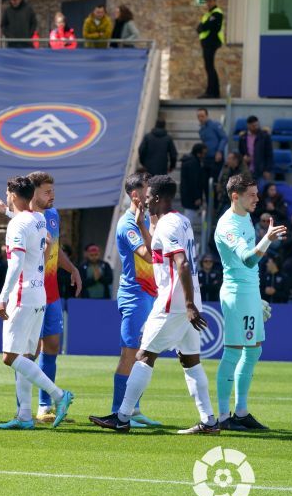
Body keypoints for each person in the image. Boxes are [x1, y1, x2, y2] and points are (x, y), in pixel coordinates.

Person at [90, 175, 218, 434]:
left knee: (144, 356)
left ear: (157, 198)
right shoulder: (181, 220)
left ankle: (122, 417)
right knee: (190, 361)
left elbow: (182, 263)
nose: (145, 200)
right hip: (188, 299)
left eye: (148, 196)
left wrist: (188, 305)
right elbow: (157, 251)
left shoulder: (167, 225)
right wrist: (142, 225)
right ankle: (209, 421)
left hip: (173, 301)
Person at [0, 172, 83, 422]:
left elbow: (15, 264)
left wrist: (3, 297)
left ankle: (58, 395)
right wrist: (6, 211)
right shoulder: (39, 219)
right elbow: (44, 240)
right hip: (39, 293)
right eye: (46, 191)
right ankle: (24, 416)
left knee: (10, 357)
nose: (52, 195)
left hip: (23, 294)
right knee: (24, 355)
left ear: (12, 195)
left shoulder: (21, 224)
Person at [213, 174, 287, 431]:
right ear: (235, 196)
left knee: (253, 351)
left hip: (249, 292)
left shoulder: (245, 216)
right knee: (233, 352)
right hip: (236, 294)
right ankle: (224, 417)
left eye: (257, 193)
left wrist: (255, 297)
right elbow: (247, 259)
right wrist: (267, 239)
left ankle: (241, 411)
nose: (257, 198)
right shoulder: (228, 225)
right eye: (252, 195)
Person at [109, 173, 163, 427]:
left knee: (143, 353)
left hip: (148, 293)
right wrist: (146, 226)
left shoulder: (144, 220)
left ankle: (134, 408)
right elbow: (148, 255)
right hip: (135, 295)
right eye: (146, 190)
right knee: (130, 354)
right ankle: (118, 410)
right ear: (135, 194)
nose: (150, 194)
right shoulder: (128, 224)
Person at [196, 0, 224, 99]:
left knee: (209, 66)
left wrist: (203, 27)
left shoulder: (217, 13)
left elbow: (209, 26)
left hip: (212, 42)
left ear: (214, 1)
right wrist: (202, 27)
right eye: (207, 1)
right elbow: (200, 26)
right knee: (209, 66)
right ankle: (213, 92)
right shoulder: (209, 14)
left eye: (210, 1)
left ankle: (211, 92)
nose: (208, 3)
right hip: (207, 42)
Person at [180, 143, 208, 236]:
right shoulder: (193, 163)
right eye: (203, 153)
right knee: (189, 219)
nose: (205, 155)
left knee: (189, 218)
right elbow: (193, 181)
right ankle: (185, 238)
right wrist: (197, 197)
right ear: (198, 153)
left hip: (187, 195)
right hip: (191, 197)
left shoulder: (190, 161)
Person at [238, 116, 274, 182]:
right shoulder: (243, 137)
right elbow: (241, 152)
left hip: (260, 170)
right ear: (248, 125)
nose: (256, 127)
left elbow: (269, 155)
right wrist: (244, 157)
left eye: (257, 125)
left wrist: (267, 170)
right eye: (253, 126)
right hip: (246, 170)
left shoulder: (265, 137)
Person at [197, 107, 227, 185]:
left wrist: (219, 151)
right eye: (198, 116)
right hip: (206, 159)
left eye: (202, 116)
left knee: (214, 182)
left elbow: (224, 138)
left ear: (207, 116)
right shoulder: (201, 130)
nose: (200, 118)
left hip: (216, 158)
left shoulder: (215, 125)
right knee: (205, 182)